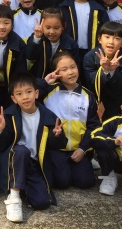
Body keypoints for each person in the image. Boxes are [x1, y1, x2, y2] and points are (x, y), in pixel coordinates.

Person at [0, 72, 65, 222]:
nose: (25, 97)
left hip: (35, 165)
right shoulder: (9, 116)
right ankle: (14, 197)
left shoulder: (49, 117)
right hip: (16, 160)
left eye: (28, 92)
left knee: (42, 203)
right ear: (14, 99)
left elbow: (58, 145)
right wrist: (1, 130)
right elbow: (0, 146)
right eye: (19, 94)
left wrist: (56, 135)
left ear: (36, 93)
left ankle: (21, 185)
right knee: (21, 150)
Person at [38, 52, 100, 190]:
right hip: (56, 148)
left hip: (78, 149)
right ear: (56, 73)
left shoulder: (87, 96)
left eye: (73, 67)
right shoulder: (49, 92)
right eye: (64, 69)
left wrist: (83, 149)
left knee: (85, 182)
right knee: (62, 182)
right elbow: (30, 94)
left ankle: (82, 163)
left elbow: (94, 126)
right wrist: (44, 83)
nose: (70, 72)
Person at [83, 21, 122, 121]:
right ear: (99, 39)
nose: (111, 42)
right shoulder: (90, 57)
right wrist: (104, 71)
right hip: (93, 103)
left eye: (117, 38)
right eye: (107, 37)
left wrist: (113, 71)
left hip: (116, 104)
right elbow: (91, 84)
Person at [59, 0, 109, 68]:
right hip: (69, 50)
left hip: (92, 51)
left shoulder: (98, 9)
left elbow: (106, 30)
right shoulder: (64, 7)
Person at [25, 7, 79, 79]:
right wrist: (36, 38)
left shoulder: (71, 44)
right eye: (48, 28)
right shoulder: (37, 38)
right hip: (38, 80)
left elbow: (75, 67)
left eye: (56, 28)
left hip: (61, 81)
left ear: (63, 26)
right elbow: (29, 56)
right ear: (41, 25)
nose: (52, 32)